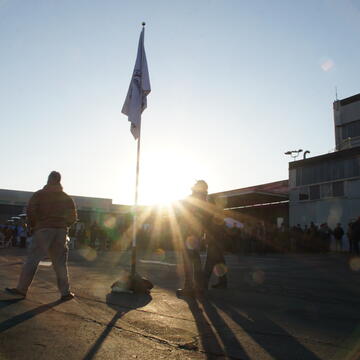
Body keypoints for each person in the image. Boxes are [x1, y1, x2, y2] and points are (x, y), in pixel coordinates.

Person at [6, 171, 77, 300]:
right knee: (60, 263)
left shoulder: (40, 195)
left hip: (44, 229)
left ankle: (21, 289)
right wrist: (63, 225)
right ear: (59, 181)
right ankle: (65, 293)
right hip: (60, 231)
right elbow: (73, 217)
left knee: (33, 260)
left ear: (48, 180)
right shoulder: (66, 198)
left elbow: (31, 211)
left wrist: (32, 226)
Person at [177, 180, 211, 297]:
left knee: (188, 260)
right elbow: (206, 220)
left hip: (188, 233)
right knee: (196, 260)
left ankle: (188, 288)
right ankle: (199, 288)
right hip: (196, 233)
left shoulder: (192, 199)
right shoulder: (205, 200)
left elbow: (183, 214)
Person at [204, 197, 227, 289]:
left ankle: (204, 284)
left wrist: (208, 238)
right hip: (219, 241)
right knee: (220, 263)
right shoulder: (218, 212)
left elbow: (212, 228)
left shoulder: (212, 213)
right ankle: (223, 282)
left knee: (209, 263)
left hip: (214, 241)